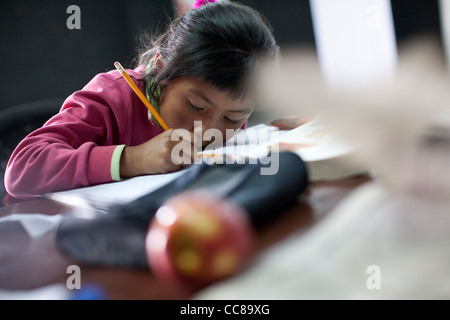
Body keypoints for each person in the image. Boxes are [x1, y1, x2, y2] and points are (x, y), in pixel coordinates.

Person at [4, 0, 279, 203]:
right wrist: (133, 159)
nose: (208, 131)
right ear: (161, 71)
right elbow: (21, 171)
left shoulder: (225, 121)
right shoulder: (112, 97)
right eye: (196, 106)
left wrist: (276, 137)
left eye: (233, 118)